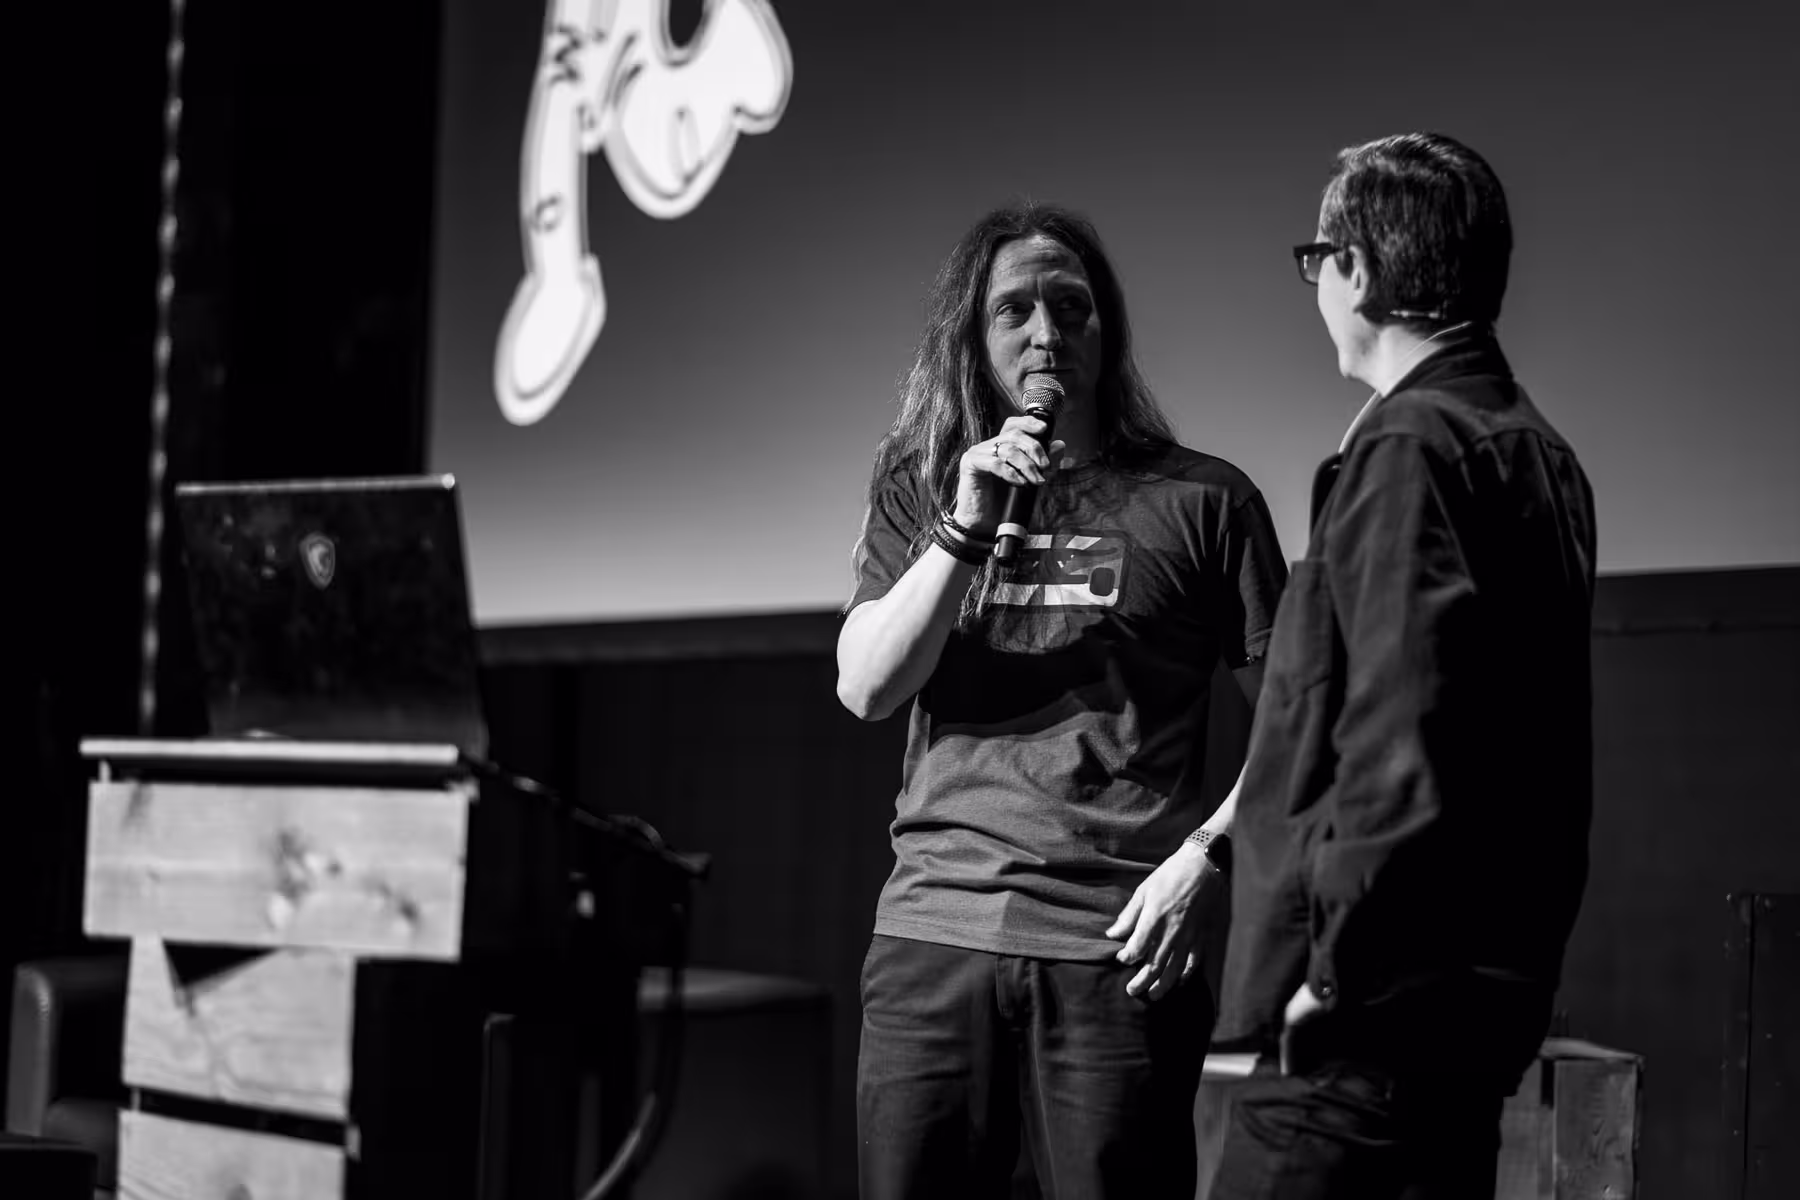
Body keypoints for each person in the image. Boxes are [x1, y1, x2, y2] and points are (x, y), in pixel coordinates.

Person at [836, 201, 1287, 1199]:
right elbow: (867, 684)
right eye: (1017, 311)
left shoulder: (1205, 502)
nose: (1048, 334)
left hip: (1112, 954)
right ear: (975, 335)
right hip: (931, 942)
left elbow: (1298, 728)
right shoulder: (920, 487)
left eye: (1072, 308)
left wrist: (1207, 860)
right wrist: (962, 529)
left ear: (1106, 330)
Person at [1208, 132, 1598, 1199]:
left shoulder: (1411, 445)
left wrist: (1332, 980)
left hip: (1370, 1031)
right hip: (1472, 1015)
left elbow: (1397, 731)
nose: (1318, 287)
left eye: (1318, 260)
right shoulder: (1537, 450)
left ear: (1360, 271)